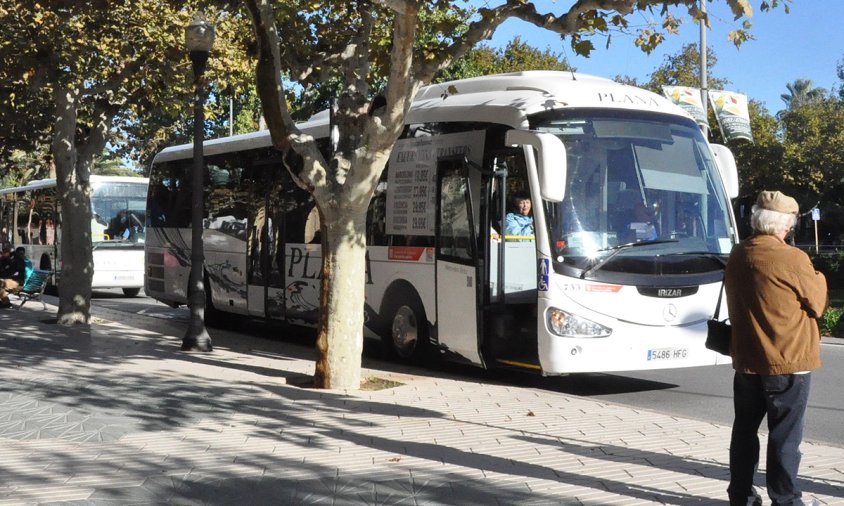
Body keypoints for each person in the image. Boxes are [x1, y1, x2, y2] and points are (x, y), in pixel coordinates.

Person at [724, 190, 828, 506]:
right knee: (785, 435)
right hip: (788, 361)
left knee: (744, 431)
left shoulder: (739, 253)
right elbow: (819, 303)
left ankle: (740, 495)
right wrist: (820, 276)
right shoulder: (792, 258)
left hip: (747, 360)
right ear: (784, 225)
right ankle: (785, 500)